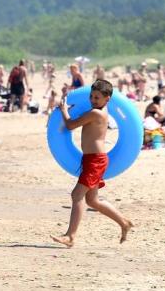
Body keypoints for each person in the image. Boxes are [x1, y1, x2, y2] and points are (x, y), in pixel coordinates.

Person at [51, 79, 133, 248]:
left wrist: (65, 110)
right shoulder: (100, 109)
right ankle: (124, 223)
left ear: (107, 99)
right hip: (90, 159)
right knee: (93, 200)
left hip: (95, 160)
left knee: (77, 195)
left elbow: (70, 125)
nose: (93, 100)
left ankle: (70, 236)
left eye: (97, 98)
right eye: (91, 96)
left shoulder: (96, 113)